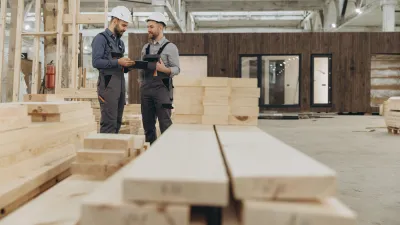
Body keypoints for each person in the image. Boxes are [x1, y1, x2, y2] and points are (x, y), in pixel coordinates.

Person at [138, 12, 180, 144]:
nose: (148, 30)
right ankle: (152, 154)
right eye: (148, 27)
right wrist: (141, 81)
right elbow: (142, 67)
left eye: (151, 27)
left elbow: (177, 69)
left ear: (160, 27)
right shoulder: (146, 48)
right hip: (146, 89)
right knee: (148, 125)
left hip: (163, 90)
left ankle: (168, 154)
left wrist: (165, 70)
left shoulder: (170, 48)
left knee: (165, 124)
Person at [91, 6, 135, 133]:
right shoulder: (101, 39)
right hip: (107, 86)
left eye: (126, 26)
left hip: (120, 85)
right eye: (123, 25)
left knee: (117, 122)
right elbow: (96, 62)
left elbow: (118, 65)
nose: (125, 29)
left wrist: (127, 66)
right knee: (109, 123)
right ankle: (105, 151)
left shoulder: (120, 43)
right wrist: (118, 62)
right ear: (115, 21)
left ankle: (113, 150)